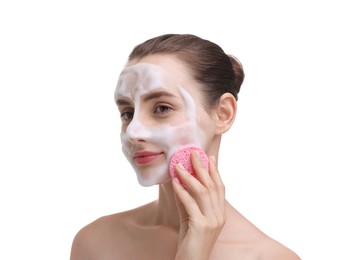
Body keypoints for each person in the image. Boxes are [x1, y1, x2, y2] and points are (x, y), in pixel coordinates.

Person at [70, 33, 300, 260]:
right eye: (127, 113)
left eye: (161, 108)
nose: (133, 132)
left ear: (223, 114)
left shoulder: (269, 257)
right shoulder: (95, 242)